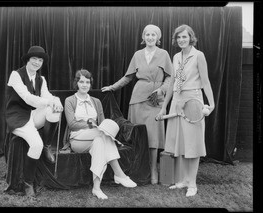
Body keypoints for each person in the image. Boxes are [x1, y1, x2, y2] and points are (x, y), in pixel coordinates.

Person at [101, 24, 173, 184]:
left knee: (154, 137)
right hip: (138, 98)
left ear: (158, 38)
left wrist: (161, 91)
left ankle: (153, 169)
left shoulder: (164, 54)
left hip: (156, 99)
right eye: (147, 34)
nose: (150, 37)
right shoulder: (137, 54)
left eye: (153, 35)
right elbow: (128, 77)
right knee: (138, 135)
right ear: (143, 37)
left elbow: (170, 77)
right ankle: (139, 170)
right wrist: (112, 87)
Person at [155, 24, 215, 197]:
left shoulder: (199, 56)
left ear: (191, 38)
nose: (182, 40)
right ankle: (182, 181)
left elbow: (205, 82)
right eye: (179, 37)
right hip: (176, 101)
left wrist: (211, 104)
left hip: (193, 101)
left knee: (192, 144)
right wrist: (164, 106)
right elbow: (173, 82)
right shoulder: (175, 56)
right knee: (179, 144)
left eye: (185, 37)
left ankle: (192, 184)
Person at [63, 69, 137, 200]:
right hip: (77, 139)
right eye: (81, 82)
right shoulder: (70, 100)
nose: (84, 85)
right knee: (103, 135)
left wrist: (101, 127)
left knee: (99, 140)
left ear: (90, 84)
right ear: (76, 83)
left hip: (96, 137)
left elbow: (102, 124)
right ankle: (119, 174)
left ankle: (96, 188)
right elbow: (72, 124)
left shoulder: (96, 101)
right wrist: (91, 125)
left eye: (87, 82)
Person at [5, 45, 63, 197]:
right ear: (27, 60)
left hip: (32, 115)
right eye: (34, 59)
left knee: (54, 109)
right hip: (18, 117)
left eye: (40, 60)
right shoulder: (15, 75)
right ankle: (28, 184)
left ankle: (47, 146)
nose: (37, 63)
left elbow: (47, 95)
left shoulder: (41, 79)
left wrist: (56, 100)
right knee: (35, 144)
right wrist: (49, 102)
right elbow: (27, 98)